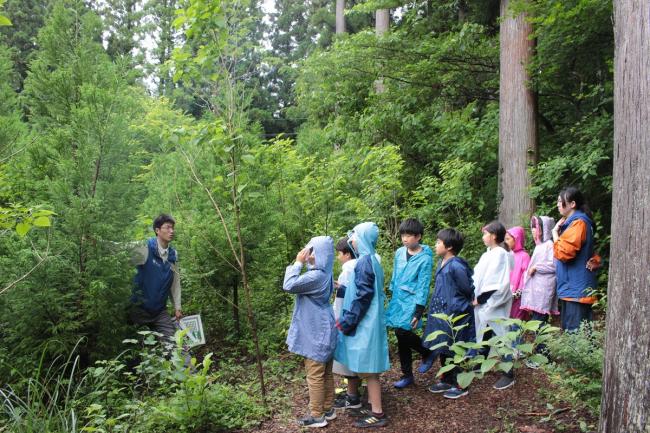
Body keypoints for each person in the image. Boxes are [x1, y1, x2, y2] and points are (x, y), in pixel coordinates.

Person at [334, 222, 390, 428]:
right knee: (369, 367)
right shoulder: (373, 260)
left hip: (364, 322)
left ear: (364, 238)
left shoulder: (365, 262)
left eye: (355, 236)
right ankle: (373, 407)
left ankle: (377, 413)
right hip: (369, 320)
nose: (352, 240)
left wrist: (347, 321)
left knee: (370, 369)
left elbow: (363, 296)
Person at [282, 236, 338, 428]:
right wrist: (309, 262)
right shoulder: (325, 272)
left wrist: (298, 262)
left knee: (314, 374)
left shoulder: (316, 277)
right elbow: (306, 279)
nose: (308, 253)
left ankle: (317, 415)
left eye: (312, 250)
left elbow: (289, 284)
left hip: (316, 331)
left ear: (320, 254)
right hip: (326, 328)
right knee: (326, 373)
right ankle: (329, 409)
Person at [422, 228, 475, 399]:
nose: (435, 245)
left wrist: (457, 305)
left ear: (449, 246)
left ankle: (461, 384)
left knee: (457, 347)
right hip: (441, 313)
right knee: (443, 345)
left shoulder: (457, 266)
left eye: (439, 242)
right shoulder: (441, 263)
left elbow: (467, 289)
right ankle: (447, 377)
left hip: (455, 313)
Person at [385, 218, 433, 389]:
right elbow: (396, 274)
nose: (405, 239)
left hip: (412, 301)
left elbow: (423, 284)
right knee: (400, 336)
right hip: (398, 299)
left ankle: (427, 351)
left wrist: (418, 310)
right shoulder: (399, 252)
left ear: (418, 237)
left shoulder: (425, 258)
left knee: (402, 332)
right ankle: (407, 375)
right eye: (403, 235)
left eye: (409, 236)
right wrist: (391, 291)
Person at [472, 221, 516, 390]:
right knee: (485, 333)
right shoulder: (488, 254)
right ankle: (480, 363)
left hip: (494, 302)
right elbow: (478, 277)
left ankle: (508, 373)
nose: (483, 237)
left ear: (494, 236)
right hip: (484, 302)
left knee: (500, 335)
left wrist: (480, 299)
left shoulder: (499, 253)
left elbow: (496, 282)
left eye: (485, 233)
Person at [129, 214, 182, 349]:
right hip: (139, 310)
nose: (172, 231)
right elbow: (121, 249)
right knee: (136, 349)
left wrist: (177, 307)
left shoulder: (172, 255)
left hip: (159, 311)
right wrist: (96, 242)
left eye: (173, 228)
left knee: (174, 346)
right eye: (168, 228)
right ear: (157, 230)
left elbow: (175, 283)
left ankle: (189, 370)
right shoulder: (144, 248)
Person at [552, 187, 601, 332]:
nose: (558, 205)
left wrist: (555, 234)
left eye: (561, 202)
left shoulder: (578, 223)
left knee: (576, 333)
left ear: (572, 204)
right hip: (574, 288)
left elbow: (564, 253)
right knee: (577, 332)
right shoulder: (575, 223)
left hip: (575, 288)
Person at [521, 216, 558, 367]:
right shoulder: (539, 246)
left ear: (545, 229)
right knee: (537, 324)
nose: (533, 230)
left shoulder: (550, 245)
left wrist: (536, 268)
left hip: (544, 290)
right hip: (536, 290)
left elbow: (554, 266)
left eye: (536, 227)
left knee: (540, 324)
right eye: (533, 227)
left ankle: (543, 357)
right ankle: (541, 355)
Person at [332, 237, 362, 410]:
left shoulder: (348, 269)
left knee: (348, 359)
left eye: (339, 253)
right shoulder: (362, 265)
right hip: (356, 317)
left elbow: (345, 298)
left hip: (347, 318)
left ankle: (352, 397)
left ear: (347, 254)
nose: (338, 257)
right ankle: (353, 392)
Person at [505, 227, 531, 321]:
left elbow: (526, 276)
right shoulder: (508, 254)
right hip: (507, 294)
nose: (505, 241)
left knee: (516, 322)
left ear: (516, 239)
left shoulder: (524, 256)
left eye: (508, 239)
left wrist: (518, 293)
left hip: (517, 297)